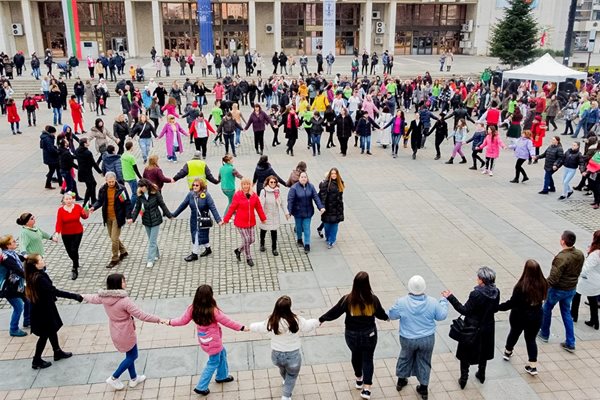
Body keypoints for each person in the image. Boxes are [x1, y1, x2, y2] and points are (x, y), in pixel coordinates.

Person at [83, 273, 165, 390]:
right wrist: (159, 319)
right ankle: (114, 377)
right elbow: (141, 315)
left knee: (129, 354)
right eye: (123, 281)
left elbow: (91, 298)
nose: (125, 283)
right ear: (118, 284)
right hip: (126, 332)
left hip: (115, 330)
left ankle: (133, 378)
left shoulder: (103, 297)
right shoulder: (124, 301)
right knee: (133, 355)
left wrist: (78, 296)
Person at [319, 271, 389, 400]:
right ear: (368, 284)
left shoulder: (348, 299)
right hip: (369, 334)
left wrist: (322, 319)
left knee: (355, 355)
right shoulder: (373, 299)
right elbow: (380, 313)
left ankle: (359, 379)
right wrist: (386, 318)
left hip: (351, 335)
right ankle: (366, 389)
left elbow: (335, 312)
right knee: (368, 359)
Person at [166, 284, 246, 396]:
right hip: (214, 342)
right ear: (210, 296)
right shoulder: (213, 310)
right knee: (213, 362)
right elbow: (228, 321)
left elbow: (182, 321)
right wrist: (242, 327)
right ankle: (201, 386)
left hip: (204, 338)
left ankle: (222, 376)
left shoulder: (192, 308)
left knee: (222, 353)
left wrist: (170, 322)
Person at [389, 275, 448, 399]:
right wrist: (443, 300)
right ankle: (423, 388)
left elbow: (391, 315)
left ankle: (401, 381)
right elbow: (441, 316)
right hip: (427, 338)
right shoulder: (432, 302)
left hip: (407, 338)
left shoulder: (402, 302)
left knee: (405, 357)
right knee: (425, 361)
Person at [249, 296, 319, 400]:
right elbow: (308, 326)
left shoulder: (271, 321)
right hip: (293, 355)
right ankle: (286, 396)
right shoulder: (296, 320)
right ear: (289, 307)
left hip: (276, 355)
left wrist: (250, 327)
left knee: (282, 369)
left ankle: (285, 381)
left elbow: (260, 327)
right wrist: (318, 321)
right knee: (292, 375)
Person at [442, 266, 500, 389]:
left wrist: (450, 297)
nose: (477, 279)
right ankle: (481, 374)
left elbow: (464, 310)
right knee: (484, 351)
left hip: (472, 328)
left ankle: (463, 379)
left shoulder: (476, 294)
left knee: (465, 353)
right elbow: (495, 309)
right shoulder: (496, 292)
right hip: (488, 327)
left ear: (482, 280)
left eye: (478, 277)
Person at [25, 254, 83, 369]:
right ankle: (36, 360)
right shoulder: (40, 278)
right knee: (44, 335)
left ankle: (57, 351)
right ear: (36, 265)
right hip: (43, 310)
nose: (43, 260)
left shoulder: (35, 274)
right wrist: (74, 296)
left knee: (51, 330)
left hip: (44, 307)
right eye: (40, 260)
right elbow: (54, 291)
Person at [498, 260, 548, 376]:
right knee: (531, 340)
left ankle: (508, 351)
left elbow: (512, 303)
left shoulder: (521, 286)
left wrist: (497, 307)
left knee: (514, 333)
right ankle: (533, 365)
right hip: (535, 317)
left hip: (519, 316)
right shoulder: (543, 283)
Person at [538, 230, 585, 352]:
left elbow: (553, 278)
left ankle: (544, 333)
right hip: (571, 289)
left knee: (546, 308)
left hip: (558, 289)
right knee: (566, 313)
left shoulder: (561, 257)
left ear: (563, 241)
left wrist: (542, 288)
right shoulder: (579, 254)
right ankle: (570, 341)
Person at [172, 178, 222, 261]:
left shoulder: (206, 195)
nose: (194, 187)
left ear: (201, 186)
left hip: (203, 220)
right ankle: (208, 249)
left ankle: (194, 254)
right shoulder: (190, 195)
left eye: (197, 185)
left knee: (197, 236)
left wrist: (219, 220)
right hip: (194, 219)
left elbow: (213, 208)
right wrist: (174, 215)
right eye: (193, 185)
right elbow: (183, 205)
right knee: (198, 235)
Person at [128, 179, 173, 269]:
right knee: (151, 239)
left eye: (142, 187)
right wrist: (132, 219)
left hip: (156, 219)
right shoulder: (140, 196)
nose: (141, 189)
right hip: (146, 220)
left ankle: (150, 260)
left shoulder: (155, 193)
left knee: (152, 241)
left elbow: (162, 205)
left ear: (147, 186)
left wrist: (169, 215)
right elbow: (137, 208)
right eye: (140, 187)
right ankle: (157, 254)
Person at [89, 172, 131, 269]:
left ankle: (115, 258)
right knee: (113, 237)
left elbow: (127, 203)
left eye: (112, 181)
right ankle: (123, 251)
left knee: (114, 239)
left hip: (118, 217)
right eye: (109, 182)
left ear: (115, 180)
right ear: (106, 181)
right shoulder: (103, 189)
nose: (111, 183)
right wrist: (93, 207)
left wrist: (129, 216)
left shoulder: (121, 189)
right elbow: (99, 201)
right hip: (107, 217)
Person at [222, 177, 267, 267]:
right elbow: (232, 208)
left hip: (250, 222)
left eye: (247, 184)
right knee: (246, 239)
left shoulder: (254, 195)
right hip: (240, 222)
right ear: (241, 185)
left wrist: (263, 218)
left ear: (250, 185)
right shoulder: (238, 195)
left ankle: (238, 250)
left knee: (252, 239)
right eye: (244, 184)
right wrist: (226, 219)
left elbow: (258, 207)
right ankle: (248, 257)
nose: (246, 186)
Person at [55, 192, 89, 280]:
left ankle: (74, 268)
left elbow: (84, 217)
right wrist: (57, 233)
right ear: (63, 200)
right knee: (69, 251)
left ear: (73, 200)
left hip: (77, 231)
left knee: (74, 249)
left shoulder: (77, 207)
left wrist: (86, 212)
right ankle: (76, 260)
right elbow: (59, 222)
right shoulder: (61, 210)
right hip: (66, 233)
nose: (69, 201)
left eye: (70, 199)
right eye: (67, 199)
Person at [0, 235, 29, 337]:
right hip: (9, 287)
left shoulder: (10, 253)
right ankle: (14, 329)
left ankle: (27, 320)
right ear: (8, 245)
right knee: (18, 307)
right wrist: (30, 277)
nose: (15, 242)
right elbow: (17, 269)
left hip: (17, 285)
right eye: (13, 241)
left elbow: (19, 257)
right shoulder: (6, 258)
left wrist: (25, 257)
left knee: (28, 300)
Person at [571, 230, 600, 330]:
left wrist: (580, 275)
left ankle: (573, 316)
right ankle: (595, 321)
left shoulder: (595, 254)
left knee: (576, 295)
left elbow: (586, 268)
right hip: (597, 280)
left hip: (588, 280)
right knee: (593, 301)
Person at [258, 176, 288, 257]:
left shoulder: (277, 191)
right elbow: (260, 204)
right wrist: (261, 216)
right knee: (263, 230)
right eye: (271, 182)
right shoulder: (263, 191)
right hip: (266, 214)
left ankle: (274, 248)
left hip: (274, 215)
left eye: (275, 182)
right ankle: (262, 244)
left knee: (274, 232)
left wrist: (286, 213)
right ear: (268, 182)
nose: (273, 184)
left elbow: (282, 203)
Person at [318, 168, 345, 249]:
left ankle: (331, 241)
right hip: (327, 209)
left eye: (335, 173)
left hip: (337, 209)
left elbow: (340, 197)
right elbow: (322, 196)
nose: (334, 175)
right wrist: (321, 207)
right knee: (327, 226)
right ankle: (328, 238)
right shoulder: (325, 184)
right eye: (332, 173)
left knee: (334, 226)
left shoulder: (340, 183)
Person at [75, 138, 102, 208]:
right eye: (88, 142)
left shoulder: (77, 150)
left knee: (93, 183)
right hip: (87, 172)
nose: (89, 142)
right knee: (90, 187)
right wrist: (100, 172)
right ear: (85, 144)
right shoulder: (87, 153)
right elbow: (93, 163)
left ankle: (93, 200)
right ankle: (85, 203)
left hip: (81, 171)